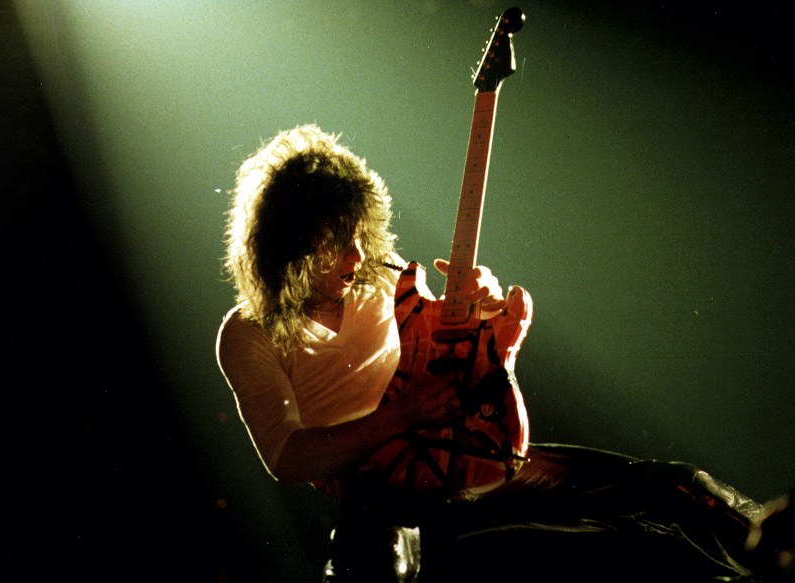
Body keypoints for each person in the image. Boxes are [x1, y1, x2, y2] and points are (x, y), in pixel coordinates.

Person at [216, 124, 792, 582]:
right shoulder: (247, 333)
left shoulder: (384, 280)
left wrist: (489, 314)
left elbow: (455, 347)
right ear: (289, 245)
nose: (358, 251)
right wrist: (398, 417)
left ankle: (781, 554)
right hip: (376, 501)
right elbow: (288, 460)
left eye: (359, 232)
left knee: (677, 489)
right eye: (337, 240)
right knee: (372, 561)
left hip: (462, 464)